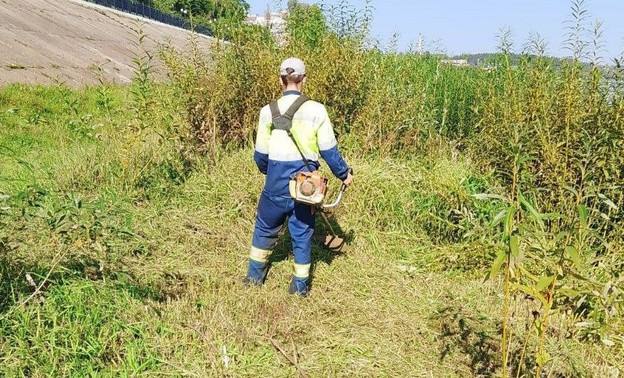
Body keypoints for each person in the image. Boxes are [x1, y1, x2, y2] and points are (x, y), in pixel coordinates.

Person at [243, 57, 353, 297]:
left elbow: (260, 156)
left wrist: (270, 173)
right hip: (305, 186)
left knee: (264, 228)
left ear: (280, 79)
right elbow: (329, 150)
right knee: (302, 234)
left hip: (274, 181)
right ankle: (299, 289)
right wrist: (344, 174)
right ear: (304, 79)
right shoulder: (316, 110)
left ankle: (253, 279)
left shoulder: (266, 112)